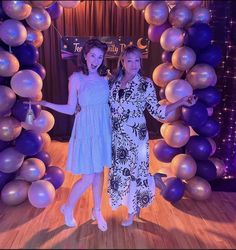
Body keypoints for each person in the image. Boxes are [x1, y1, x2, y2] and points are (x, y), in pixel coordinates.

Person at [108, 45, 197, 227]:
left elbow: (157, 111)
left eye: (137, 60)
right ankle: (153, 180)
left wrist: (180, 101)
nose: (134, 64)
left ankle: (132, 212)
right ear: (122, 62)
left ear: (140, 62)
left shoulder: (145, 83)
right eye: (129, 60)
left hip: (136, 136)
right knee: (122, 172)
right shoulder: (114, 82)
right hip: (118, 137)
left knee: (136, 173)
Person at [28, 38, 112, 231]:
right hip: (86, 129)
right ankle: (68, 208)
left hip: (102, 128)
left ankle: (97, 210)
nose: (96, 60)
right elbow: (70, 108)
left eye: (100, 56)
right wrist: (47, 104)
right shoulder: (76, 78)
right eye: (93, 55)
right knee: (88, 176)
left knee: (100, 172)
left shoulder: (105, 77)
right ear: (85, 55)